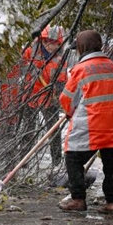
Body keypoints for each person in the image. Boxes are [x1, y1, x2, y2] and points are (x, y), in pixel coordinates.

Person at [58, 30, 113, 215]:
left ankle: (78, 199)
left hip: (92, 124)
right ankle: (112, 204)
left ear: (82, 48)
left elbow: (67, 99)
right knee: (112, 165)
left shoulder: (80, 69)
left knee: (73, 156)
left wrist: (69, 112)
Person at [22, 25, 69, 166]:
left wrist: (57, 93)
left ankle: (56, 161)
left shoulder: (61, 60)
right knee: (28, 129)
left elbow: (61, 80)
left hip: (49, 99)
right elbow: (20, 63)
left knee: (53, 131)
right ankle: (24, 161)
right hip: (30, 96)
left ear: (59, 44)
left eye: (54, 43)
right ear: (42, 39)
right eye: (47, 41)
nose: (50, 45)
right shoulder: (31, 52)